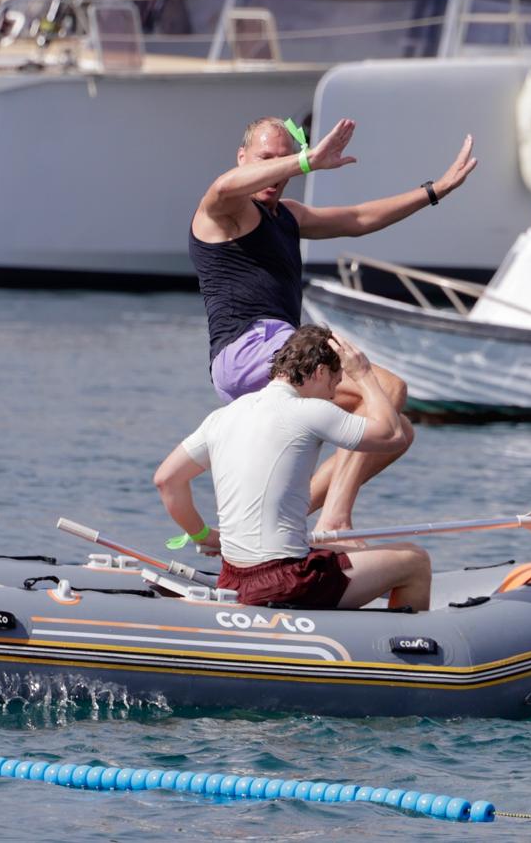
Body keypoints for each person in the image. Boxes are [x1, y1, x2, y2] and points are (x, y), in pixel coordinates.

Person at [188, 116, 476, 530]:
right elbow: (224, 186)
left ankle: (267, 525)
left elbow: (359, 219)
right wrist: (306, 161)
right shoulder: (227, 211)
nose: (276, 169)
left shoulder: (286, 216)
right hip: (248, 349)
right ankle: (336, 518)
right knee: (389, 389)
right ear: (242, 158)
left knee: (395, 432)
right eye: (266, 159)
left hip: (278, 352)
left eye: (283, 159)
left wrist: (436, 191)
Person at [153, 325, 430, 611]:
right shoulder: (309, 411)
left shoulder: (222, 417)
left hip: (232, 579)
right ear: (320, 372)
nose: (333, 396)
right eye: (334, 384)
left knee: (339, 550)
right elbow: (392, 435)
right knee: (415, 560)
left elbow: (166, 480)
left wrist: (205, 536)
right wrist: (363, 376)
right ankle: (407, 648)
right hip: (286, 582)